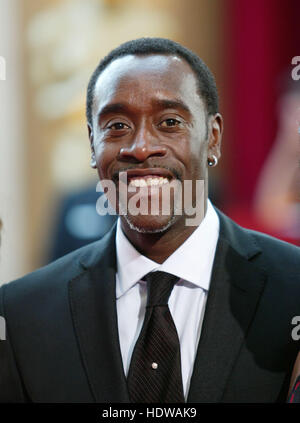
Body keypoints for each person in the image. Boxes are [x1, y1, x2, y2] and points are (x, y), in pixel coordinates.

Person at [0, 38, 299, 403]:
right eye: (117, 126)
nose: (140, 147)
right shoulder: (20, 315)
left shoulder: (292, 290)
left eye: (170, 122)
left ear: (213, 138)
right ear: (92, 144)